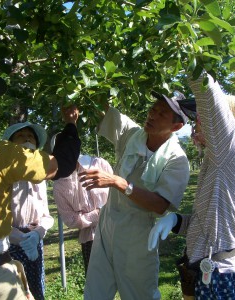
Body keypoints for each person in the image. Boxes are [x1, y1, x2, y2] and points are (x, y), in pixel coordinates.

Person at [148, 72, 235, 299]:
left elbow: (209, 99)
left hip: (219, 279)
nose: (196, 125)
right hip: (208, 275)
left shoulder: (233, 153)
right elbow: (209, 221)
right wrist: (176, 221)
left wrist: (193, 56)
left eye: (200, 118)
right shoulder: (217, 162)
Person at [80, 91, 190, 300]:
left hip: (138, 237)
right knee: (95, 292)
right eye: (153, 109)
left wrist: (118, 182)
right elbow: (103, 108)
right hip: (108, 226)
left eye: (162, 114)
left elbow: (160, 205)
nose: (152, 115)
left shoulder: (177, 160)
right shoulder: (132, 134)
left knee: (139, 295)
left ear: (177, 126)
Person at [0, 76, 80, 300]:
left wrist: (38, 233)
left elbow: (45, 213)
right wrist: (71, 124)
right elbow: (62, 163)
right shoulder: (0, 155)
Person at [2, 121, 54, 300]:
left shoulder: (40, 176)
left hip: (33, 241)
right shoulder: (3, 173)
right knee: (12, 291)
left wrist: (37, 233)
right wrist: (17, 237)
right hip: (9, 244)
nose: (26, 139)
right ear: (11, 143)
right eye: (21, 135)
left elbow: (47, 216)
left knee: (36, 290)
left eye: (30, 136)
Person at [53, 152, 113, 275]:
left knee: (126, 279)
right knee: (96, 283)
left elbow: (116, 196)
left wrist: (86, 216)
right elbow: (72, 220)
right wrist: (99, 213)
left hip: (116, 230)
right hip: (91, 239)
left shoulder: (99, 164)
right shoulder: (60, 184)